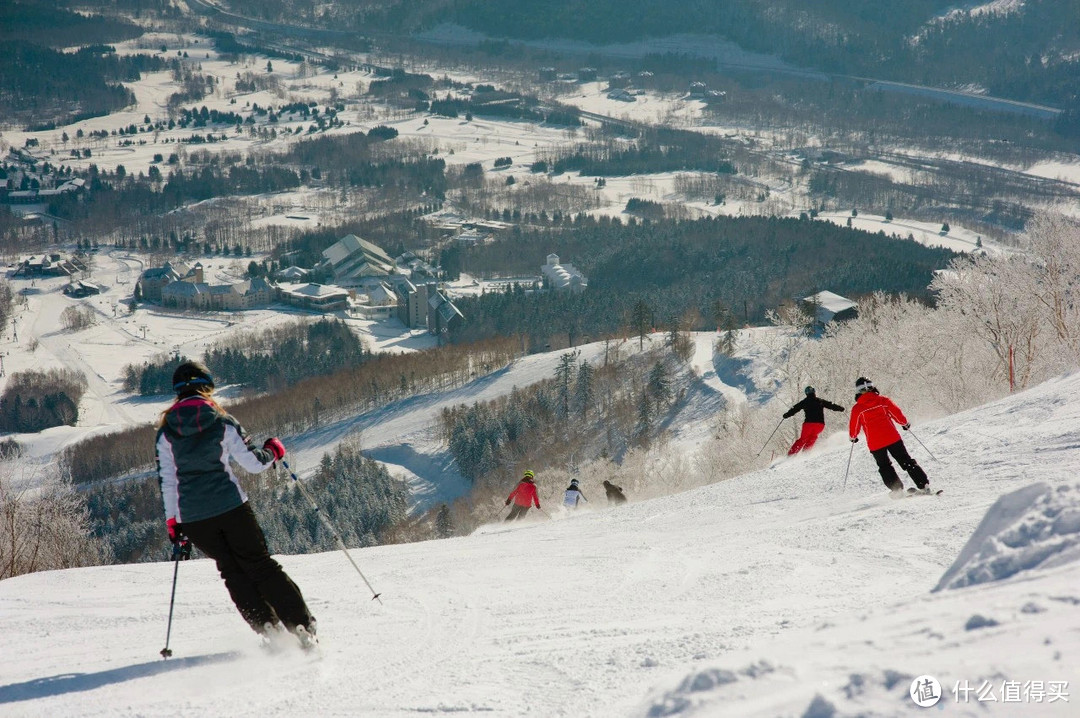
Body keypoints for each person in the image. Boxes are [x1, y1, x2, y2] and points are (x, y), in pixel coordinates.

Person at [155, 360, 317, 647]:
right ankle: (301, 626)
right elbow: (253, 464)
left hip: (193, 518)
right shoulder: (221, 421)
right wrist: (273, 451)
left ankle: (268, 629)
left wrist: (173, 524)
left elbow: (168, 481)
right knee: (260, 566)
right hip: (230, 508)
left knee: (232, 572)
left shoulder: (165, 431)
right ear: (206, 387)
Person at [848, 377, 930, 496]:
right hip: (892, 438)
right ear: (872, 387)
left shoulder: (858, 408)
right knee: (906, 461)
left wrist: (853, 436)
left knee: (885, 466)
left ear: (858, 391)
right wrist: (904, 423)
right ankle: (923, 485)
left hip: (875, 443)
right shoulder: (883, 401)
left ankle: (897, 490)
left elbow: (854, 425)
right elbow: (895, 412)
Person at [783, 386, 844, 455]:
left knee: (803, 439)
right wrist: (840, 408)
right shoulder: (820, 401)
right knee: (813, 437)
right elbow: (831, 405)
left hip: (809, 424)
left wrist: (787, 415)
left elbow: (795, 408)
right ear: (814, 392)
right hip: (820, 425)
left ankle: (791, 455)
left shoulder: (804, 402)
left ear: (806, 393)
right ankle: (805, 454)